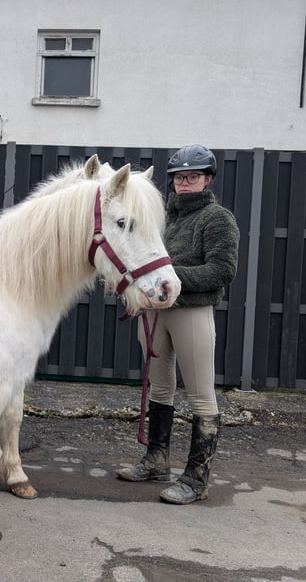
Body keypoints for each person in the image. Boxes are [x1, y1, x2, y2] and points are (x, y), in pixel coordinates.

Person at [115, 143, 240, 505]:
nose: (184, 183)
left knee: (201, 394)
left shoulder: (217, 219)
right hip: (155, 312)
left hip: (191, 312)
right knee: (159, 388)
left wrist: (170, 278)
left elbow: (222, 270)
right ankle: (156, 459)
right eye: (179, 177)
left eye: (192, 177)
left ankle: (197, 479)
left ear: (207, 179)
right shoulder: (163, 217)